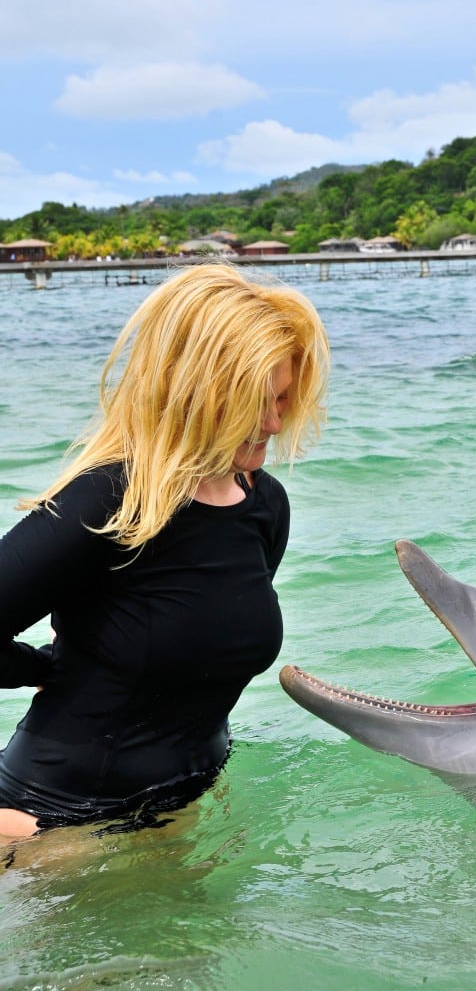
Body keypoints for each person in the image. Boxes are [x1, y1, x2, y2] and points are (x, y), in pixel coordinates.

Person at [0, 262, 330, 841]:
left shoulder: (263, 505)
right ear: (196, 393)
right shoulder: (107, 500)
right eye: (259, 401)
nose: (277, 423)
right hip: (53, 821)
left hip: (182, 814)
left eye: (284, 399)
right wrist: (36, 669)